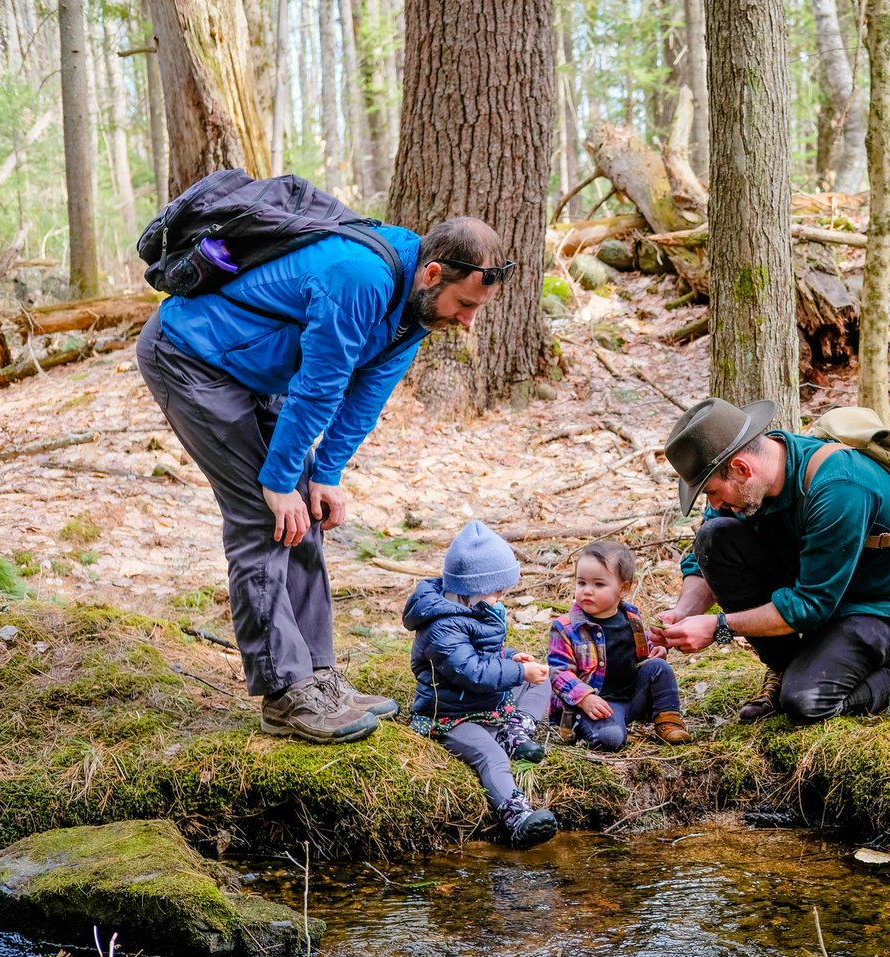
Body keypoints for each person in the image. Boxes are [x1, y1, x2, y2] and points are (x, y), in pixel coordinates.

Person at [137, 215, 515, 744]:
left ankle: (316, 675)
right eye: (467, 305)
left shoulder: (417, 310)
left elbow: (367, 395)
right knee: (263, 516)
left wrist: (326, 474)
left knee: (304, 512)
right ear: (432, 274)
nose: (470, 321)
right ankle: (282, 693)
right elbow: (319, 387)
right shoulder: (360, 278)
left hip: (254, 369)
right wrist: (278, 480)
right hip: (192, 357)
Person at [650, 397, 890, 725]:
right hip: (813, 586)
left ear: (742, 469)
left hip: (878, 604)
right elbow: (702, 559)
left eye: (712, 492)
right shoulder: (742, 488)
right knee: (714, 538)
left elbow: (810, 606)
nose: (714, 503)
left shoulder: (838, 487)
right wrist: (682, 615)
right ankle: (787, 668)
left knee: (805, 702)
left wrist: (719, 628)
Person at [403, 520, 558, 848]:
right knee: (492, 757)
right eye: (496, 590)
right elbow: (472, 671)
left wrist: (514, 659)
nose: (501, 598)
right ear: (470, 587)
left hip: (486, 705)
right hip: (450, 715)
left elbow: (490, 654)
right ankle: (516, 815)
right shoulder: (442, 628)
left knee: (543, 680)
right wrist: (515, 673)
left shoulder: (476, 609)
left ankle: (515, 730)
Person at [547, 541, 691, 750]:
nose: (587, 591)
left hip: (628, 697)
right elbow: (558, 672)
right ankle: (597, 728)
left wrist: (654, 650)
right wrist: (584, 698)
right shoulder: (566, 627)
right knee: (610, 739)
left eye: (598, 584)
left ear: (623, 588)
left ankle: (667, 720)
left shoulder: (631, 617)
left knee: (660, 669)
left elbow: (638, 651)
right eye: (581, 583)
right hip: (593, 705)